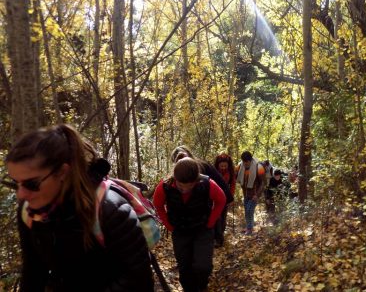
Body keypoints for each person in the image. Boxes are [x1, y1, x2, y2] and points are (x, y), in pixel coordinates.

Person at [4, 124, 154, 292]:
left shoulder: (111, 209)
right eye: (16, 183)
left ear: (62, 172)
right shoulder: (30, 213)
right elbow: (33, 271)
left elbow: (139, 280)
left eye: (31, 184)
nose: (21, 195)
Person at [153, 157, 226, 292]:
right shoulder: (165, 186)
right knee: (184, 267)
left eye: (190, 186)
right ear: (175, 178)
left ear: (196, 179)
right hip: (180, 231)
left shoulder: (206, 183)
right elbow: (157, 204)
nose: (185, 190)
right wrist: (169, 226)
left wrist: (210, 223)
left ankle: (201, 286)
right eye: (181, 186)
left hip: (202, 230)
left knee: (203, 266)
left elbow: (221, 200)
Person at [170, 146, 234, 247]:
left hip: (216, 193)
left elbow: (215, 183)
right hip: (214, 193)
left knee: (216, 214)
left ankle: (218, 239)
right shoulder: (182, 172)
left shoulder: (198, 167)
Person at [235, 151, 265, 235]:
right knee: (246, 211)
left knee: (249, 211)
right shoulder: (240, 166)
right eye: (244, 162)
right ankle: (248, 227)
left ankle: (249, 229)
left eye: (246, 162)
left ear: (250, 160)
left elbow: (263, 183)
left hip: (254, 194)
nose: (245, 164)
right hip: (245, 194)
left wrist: (257, 195)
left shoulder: (259, 168)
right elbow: (234, 175)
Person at [213, 153, 236, 246]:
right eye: (221, 166)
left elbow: (233, 185)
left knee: (223, 217)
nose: (223, 167)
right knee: (217, 217)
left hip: (226, 197)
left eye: (225, 166)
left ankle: (220, 235)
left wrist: (231, 198)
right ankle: (217, 239)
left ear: (228, 165)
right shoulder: (214, 171)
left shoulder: (230, 172)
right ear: (218, 165)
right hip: (215, 197)